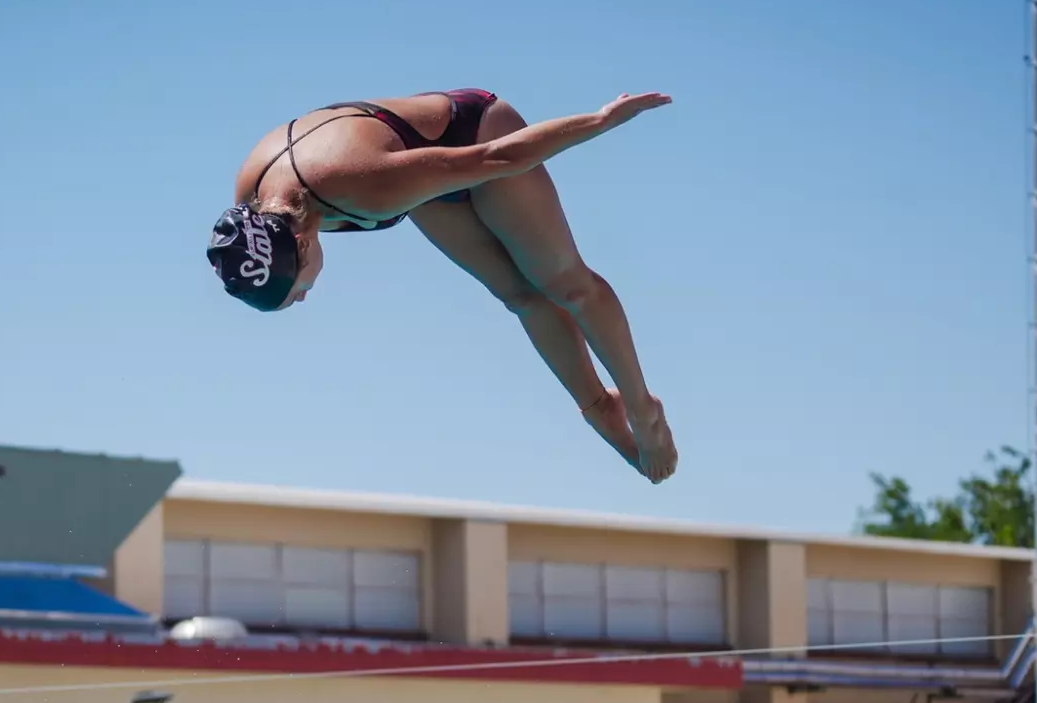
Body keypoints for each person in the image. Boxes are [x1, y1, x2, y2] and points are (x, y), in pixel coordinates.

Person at [204, 88, 680, 484]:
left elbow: (499, 157)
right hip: (415, 171)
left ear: (303, 248)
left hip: (476, 132)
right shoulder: (256, 208)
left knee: (563, 282)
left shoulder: (366, 185)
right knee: (522, 296)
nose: (306, 298)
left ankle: (640, 405)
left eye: (299, 293)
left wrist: (600, 120)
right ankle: (598, 406)